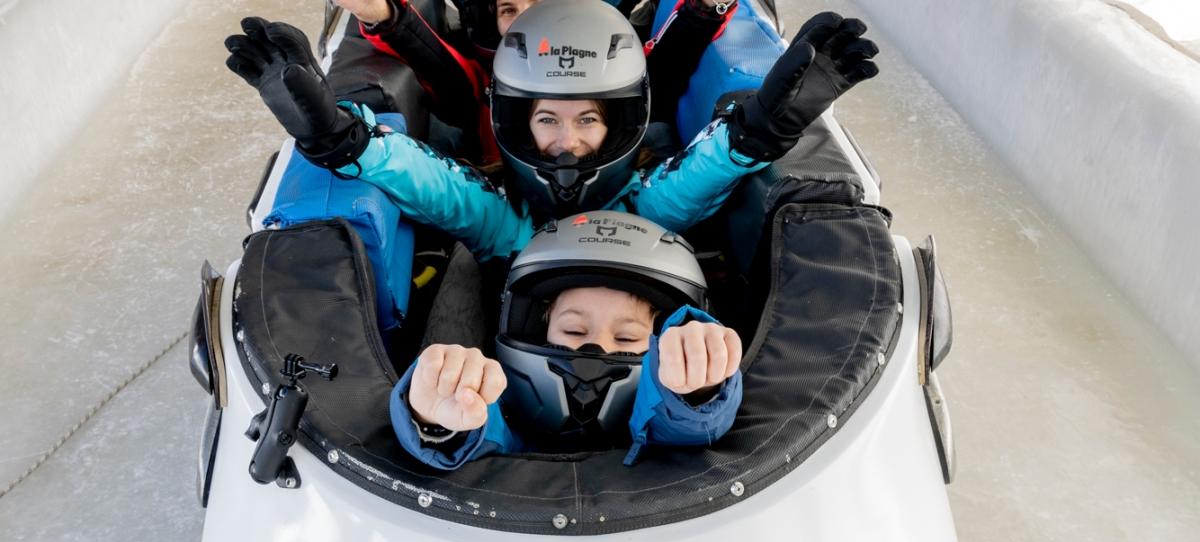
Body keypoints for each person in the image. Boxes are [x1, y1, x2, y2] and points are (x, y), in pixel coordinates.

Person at [224, 3, 878, 263]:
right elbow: (427, 179)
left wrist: (763, 128)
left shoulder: (644, 205)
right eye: (547, 120)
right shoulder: (500, 219)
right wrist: (340, 139)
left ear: (618, 123)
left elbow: (700, 173)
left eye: (588, 119)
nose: (567, 141)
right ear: (517, 121)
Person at [390, 211, 744, 468]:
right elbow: (487, 432)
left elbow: (679, 426)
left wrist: (699, 389)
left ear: (662, 340)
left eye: (626, 337)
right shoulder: (507, 405)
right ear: (535, 327)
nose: (596, 351)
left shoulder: (667, 420)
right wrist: (437, 418)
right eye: (574, 331)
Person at [335, 0, 740, 162]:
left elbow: (665, 68)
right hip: (504, 205)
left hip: (620, 203)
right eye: (509, 9)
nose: (529, 19)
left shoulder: (613, 66)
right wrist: (384, 15)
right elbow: (440, 68)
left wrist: (707, 7)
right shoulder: (486, 82)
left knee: (660, 133)